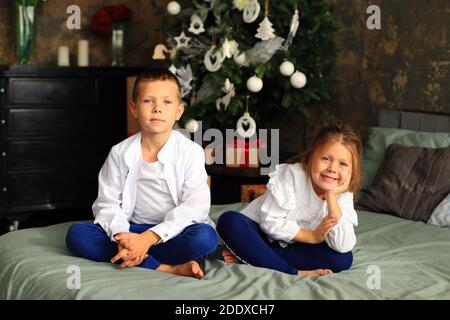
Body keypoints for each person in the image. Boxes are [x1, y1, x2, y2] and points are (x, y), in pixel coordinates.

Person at [66, 68, 218, 279]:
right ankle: (166, 267)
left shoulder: (190, 152)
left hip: (173, 231)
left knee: (205, 238)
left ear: (179, 111)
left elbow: (195, 207)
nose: (157, 109)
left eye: (167, 102)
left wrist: (148, 239)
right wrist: (125, 238)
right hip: (131, 229)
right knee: (77, 235)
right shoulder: (120, 152)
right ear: (134, 108)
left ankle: (137, 255)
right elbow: (106, 203)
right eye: (148, 101)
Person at [216, 123, 363, 277]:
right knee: (229, 221)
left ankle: (253, 256)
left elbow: (342, 245)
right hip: (260, 234)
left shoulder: (342, 194)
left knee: (343, 259)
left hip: (294, 247)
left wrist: (331, 197)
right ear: (311, 157)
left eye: (343, 164)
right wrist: (312, 236)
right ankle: (295, 271)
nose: (332, 168)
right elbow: (269, 222)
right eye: (325, 158)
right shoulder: (292, 175)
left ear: (351, 171)